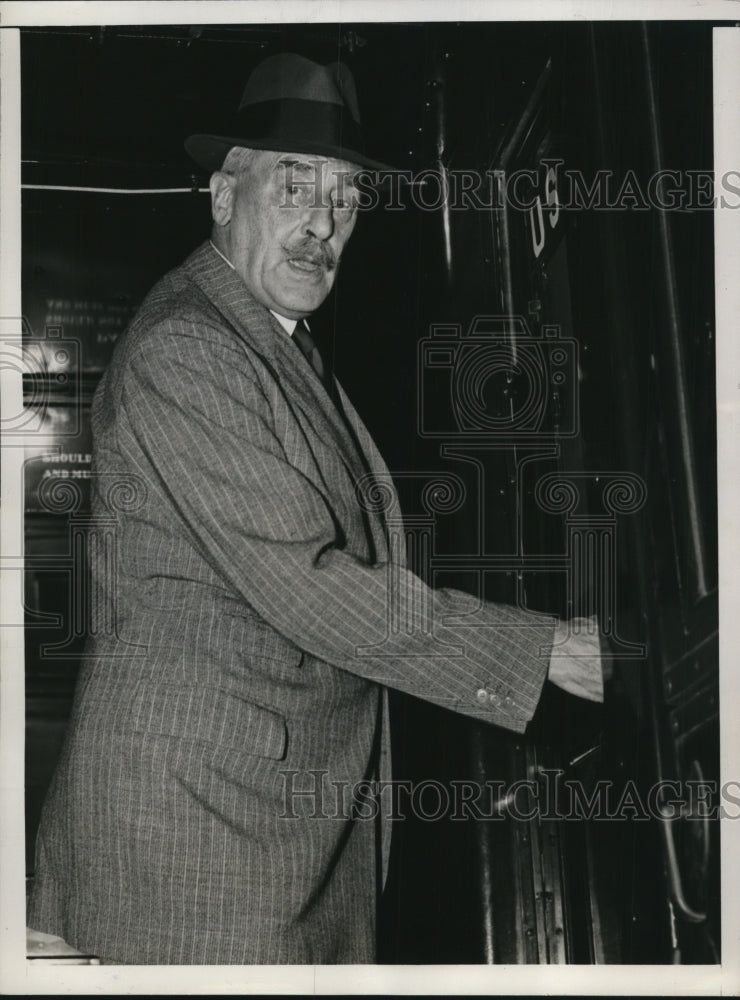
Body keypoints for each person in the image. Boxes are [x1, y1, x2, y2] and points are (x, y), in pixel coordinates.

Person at [27, 53, 604, 965]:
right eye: (293, 187)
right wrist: (546, 651)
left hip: (249, 825)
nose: (321, 224)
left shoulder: (268, 341)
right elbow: (310, 586)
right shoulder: (192, 347)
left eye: (344, 198)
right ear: (224, 196)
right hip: (197, 846)